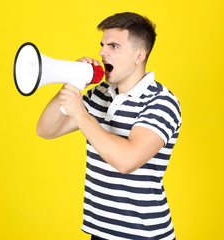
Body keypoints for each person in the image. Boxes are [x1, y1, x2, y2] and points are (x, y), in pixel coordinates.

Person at [37, 12, 181, 240]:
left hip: (143, 234)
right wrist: (71, 80)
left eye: (114, 46)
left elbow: (127, 161)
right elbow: (46, 129)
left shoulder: (161, 102)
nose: (102, 52)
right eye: (103, 45)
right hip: (100, 232)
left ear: (138, 56)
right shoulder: (99, 95)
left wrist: (81, 115)